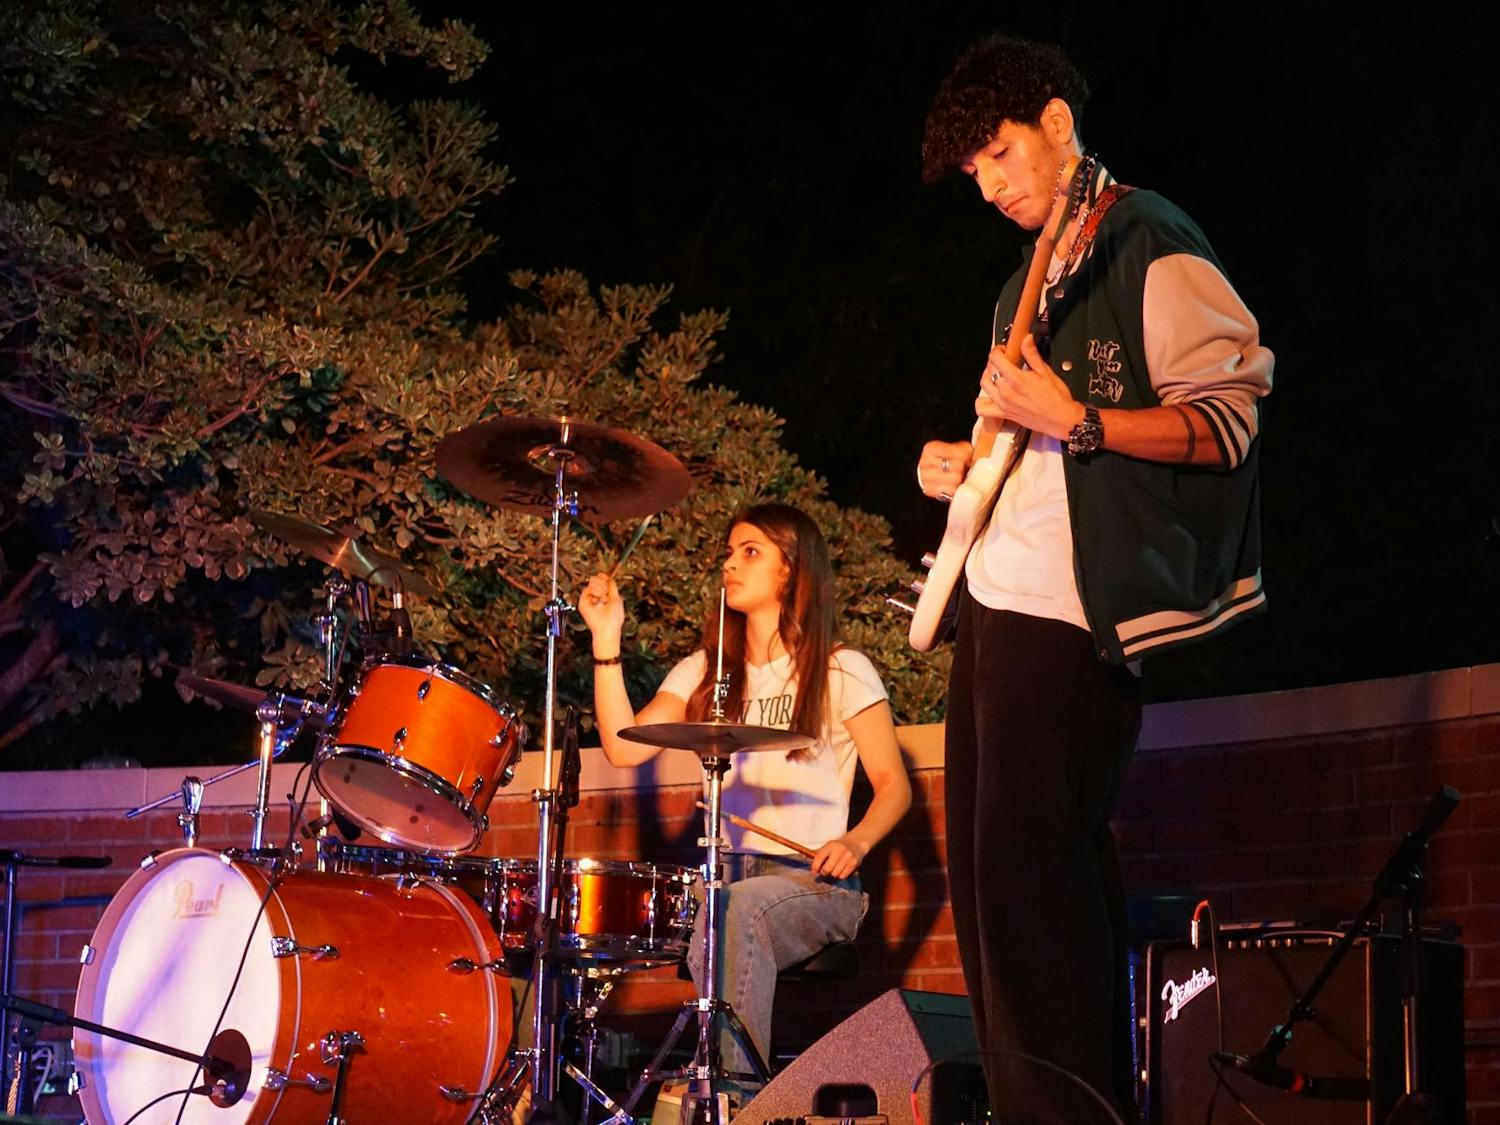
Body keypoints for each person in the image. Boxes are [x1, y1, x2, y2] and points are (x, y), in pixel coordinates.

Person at [916, 33, 1274, 1123]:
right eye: (974, 172)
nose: (990, 186)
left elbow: (1227, 420)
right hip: (997, 596)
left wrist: (1072, 419)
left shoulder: (1145, 237)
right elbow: (1020, 446)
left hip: (1075, 614)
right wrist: (962, 463)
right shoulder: (1022, 284)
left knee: (1037, 889)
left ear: (1059, 126)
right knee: (989, 896)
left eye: (1001, 156)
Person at [577, 503, 912, 1097]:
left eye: (750, 551)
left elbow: (894, 785)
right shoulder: (705, 673)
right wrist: (608, 643)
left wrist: (855, 841)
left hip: (815, 883)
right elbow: (625, 749)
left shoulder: (842, 669)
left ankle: (735, 1100)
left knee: (732, 914)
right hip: (725, 884)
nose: (730, 564)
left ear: (790, 570)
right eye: (728, 553)